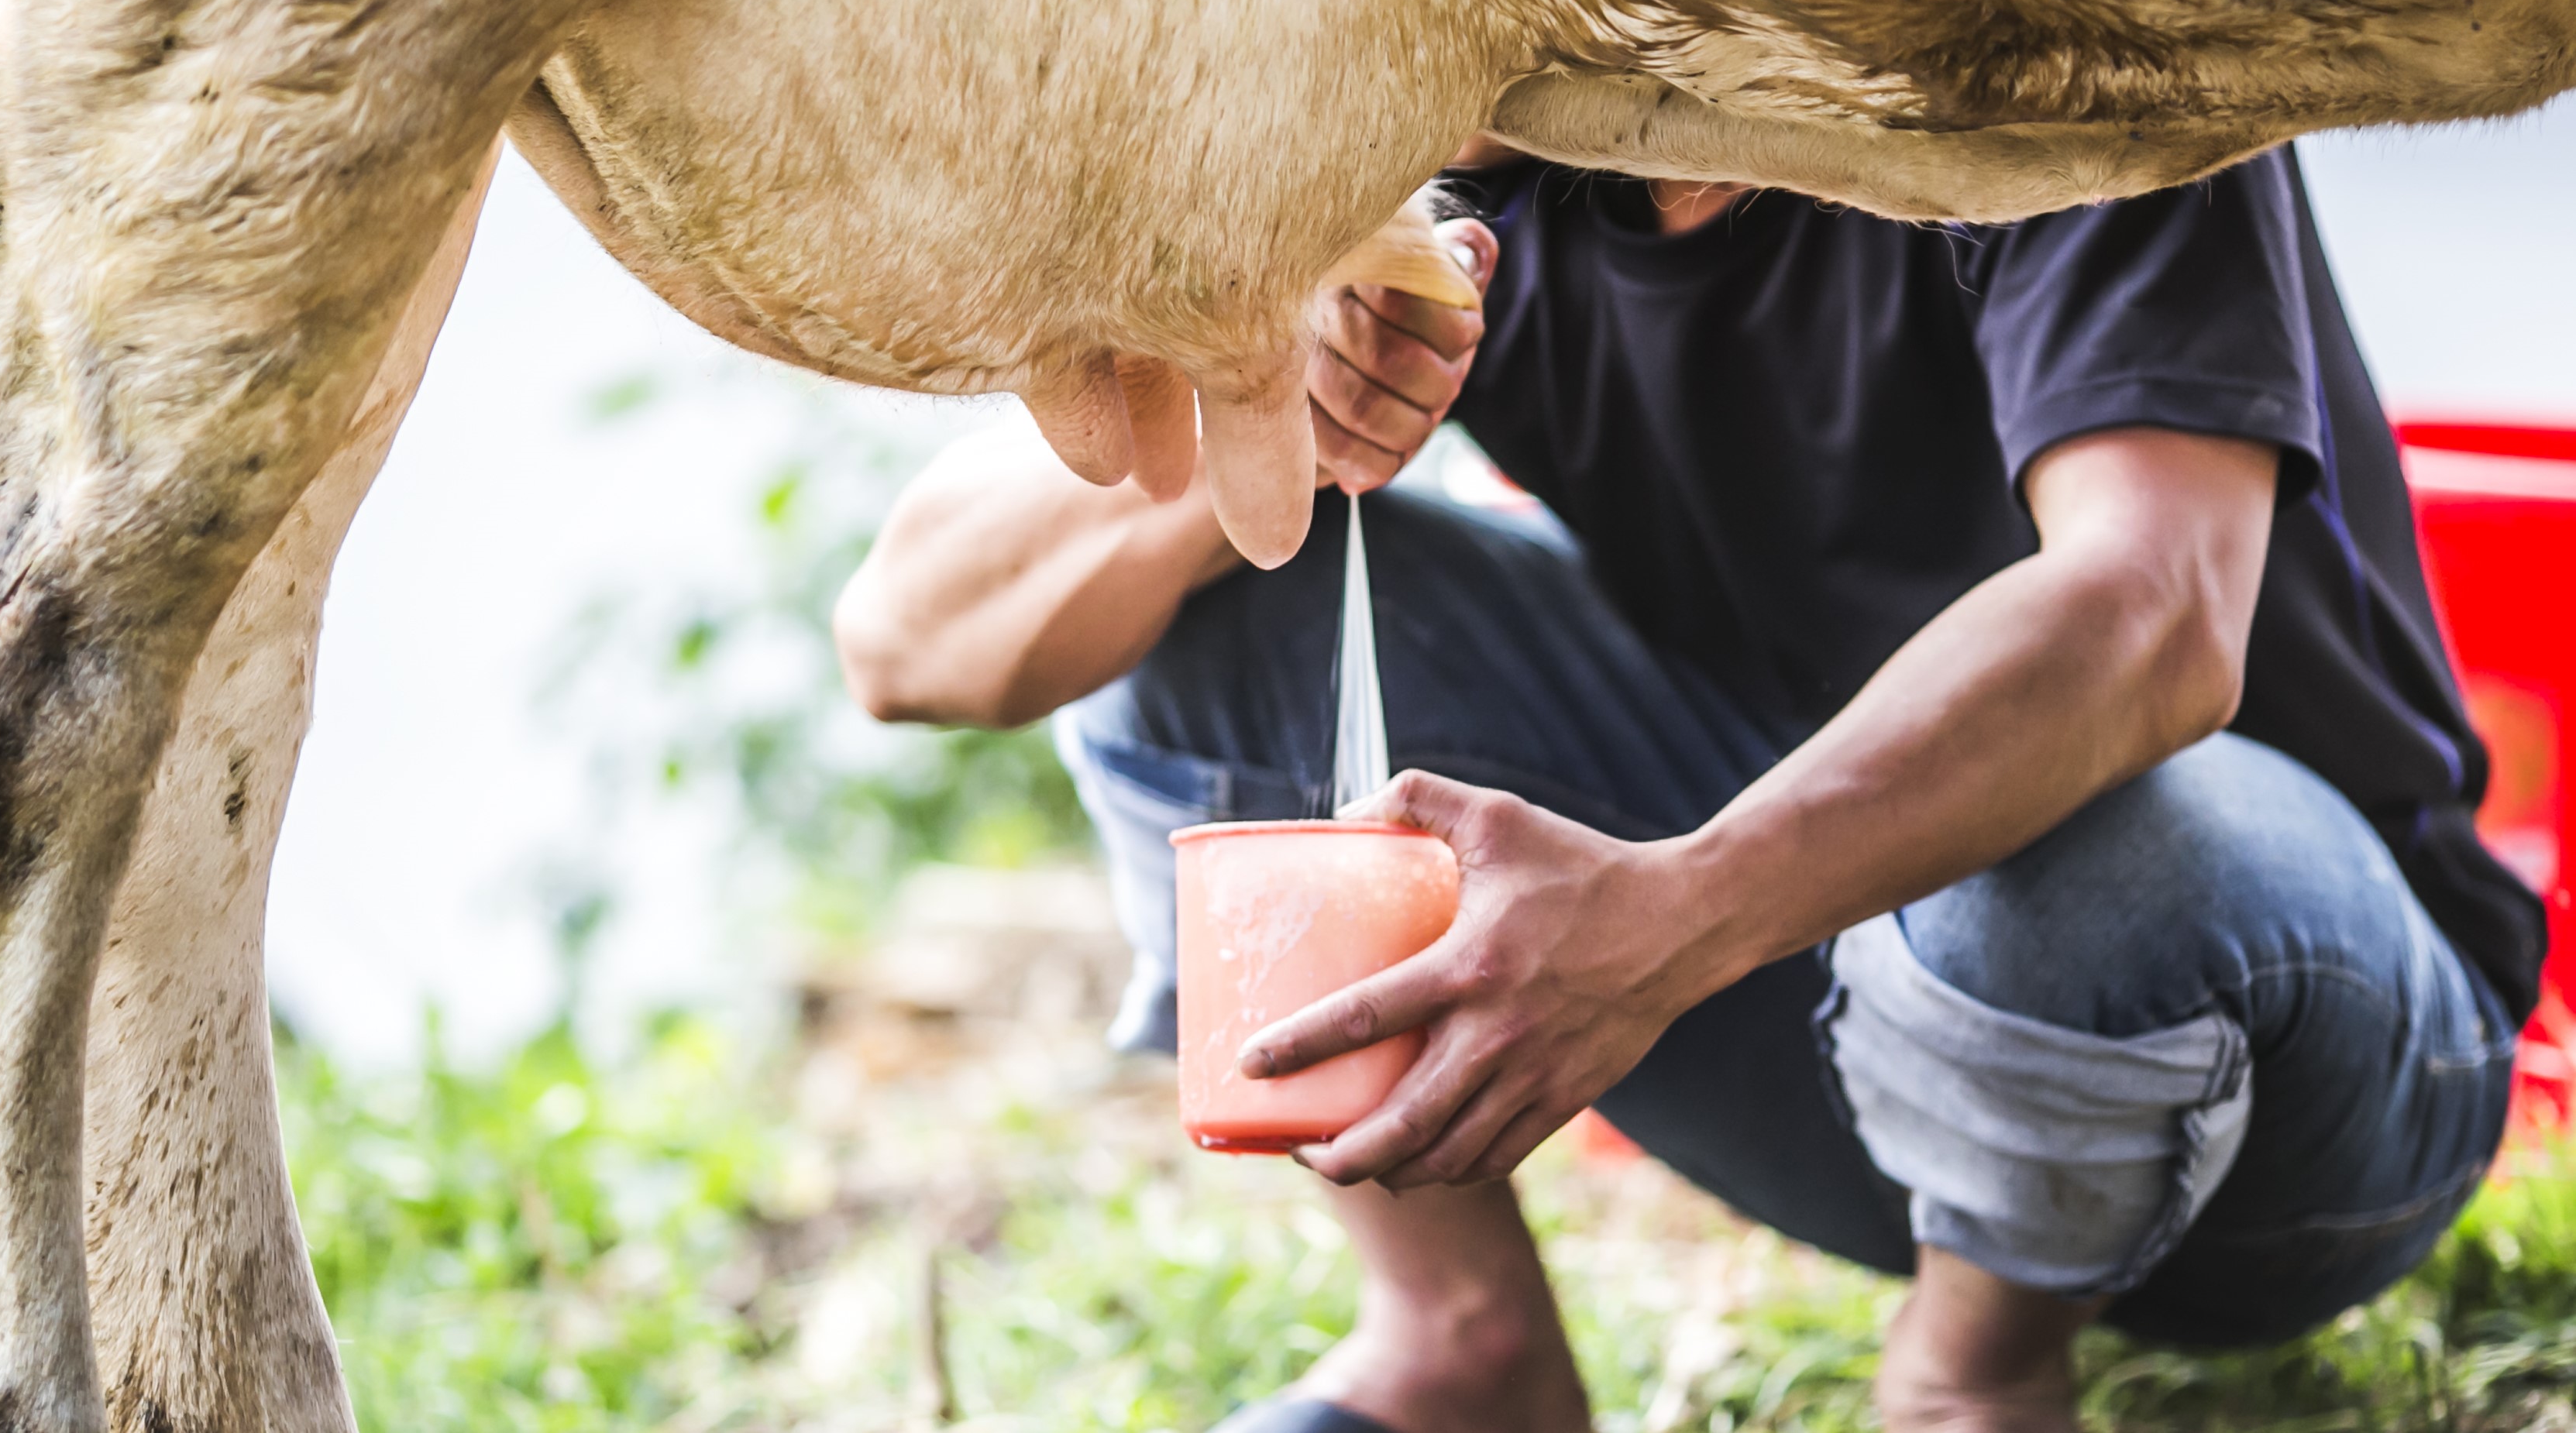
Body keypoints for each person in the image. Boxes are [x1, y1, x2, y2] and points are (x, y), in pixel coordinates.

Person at [831, 140, 2543, 1433]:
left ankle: (1970, 1374)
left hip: (2312, 1085)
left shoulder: (2060, 31)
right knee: (1202, 616)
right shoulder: (1491, 159)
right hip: (1850, 1047)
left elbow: (2156, 621)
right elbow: (909, 639)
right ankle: (1461, 1350)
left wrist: (1667, 917)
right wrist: (1277, 408)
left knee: (2110, 838)